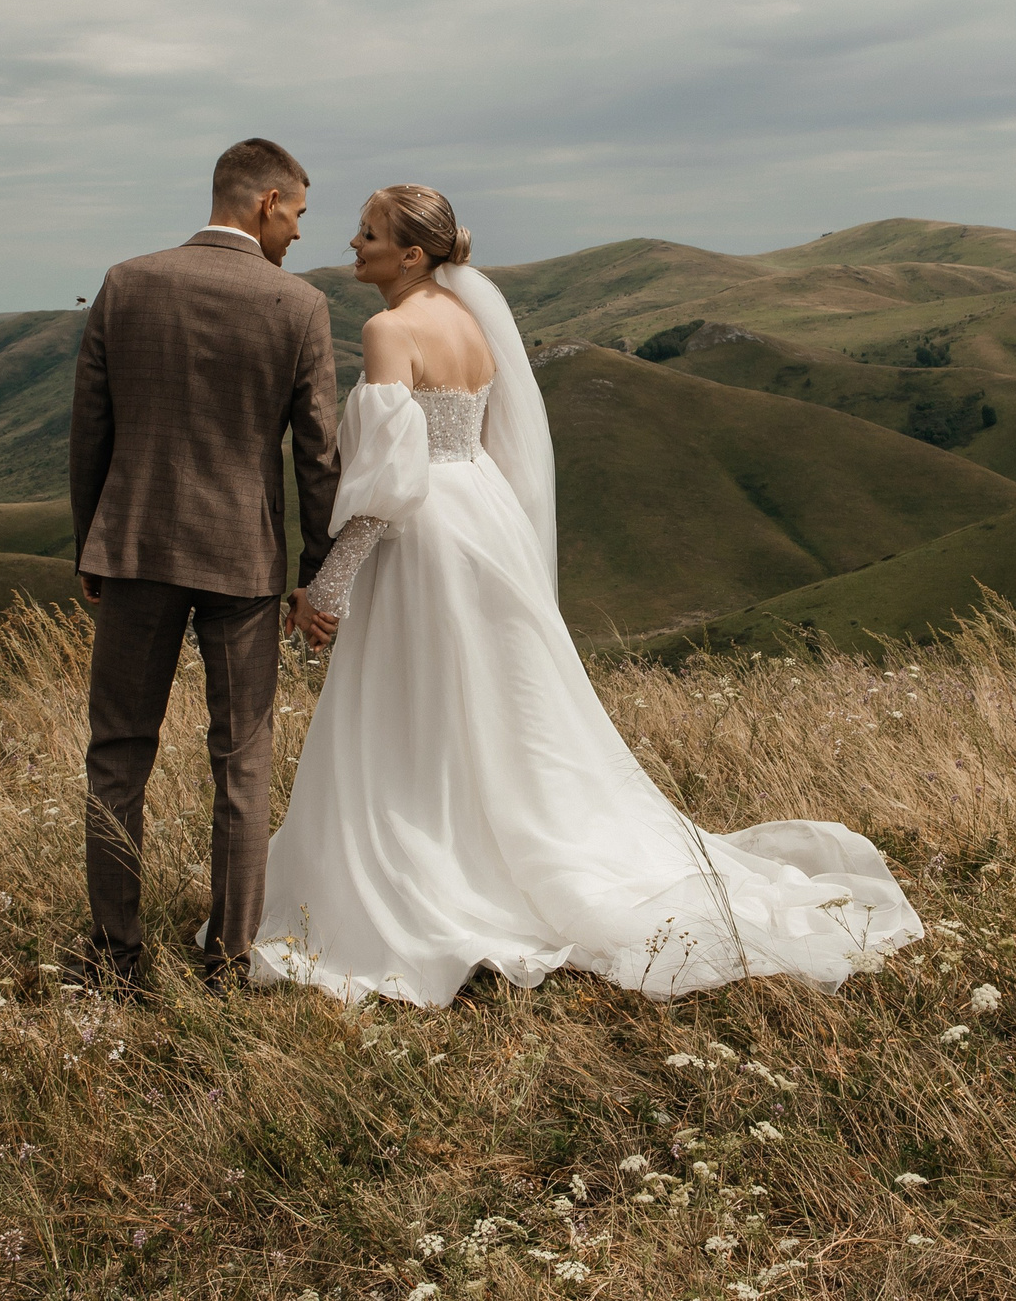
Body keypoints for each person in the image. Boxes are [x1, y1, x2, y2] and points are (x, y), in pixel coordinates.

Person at [255, 184, 922, 1005]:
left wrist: (328, 587)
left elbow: (389, 479)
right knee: (493, 706)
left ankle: (434, 869)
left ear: (413, 255)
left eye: (368, 234)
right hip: (483, 519)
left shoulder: (390, 329)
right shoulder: (470, 322)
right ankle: (484, 845)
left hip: (424, 534)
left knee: (412, 707)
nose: (352, 244)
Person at [68, 138, 341, 994]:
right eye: (296, 213)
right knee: (243, 760)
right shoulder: (298, 305)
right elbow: (319, 458)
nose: (299, 232)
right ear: (264, 201)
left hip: (136, 548)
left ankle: (115, 956)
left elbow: (91, 429)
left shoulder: (128, 282)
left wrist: (92, 543)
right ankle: (227, 960)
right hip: (244, 563)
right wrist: (315, 572)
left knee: (117, 751)